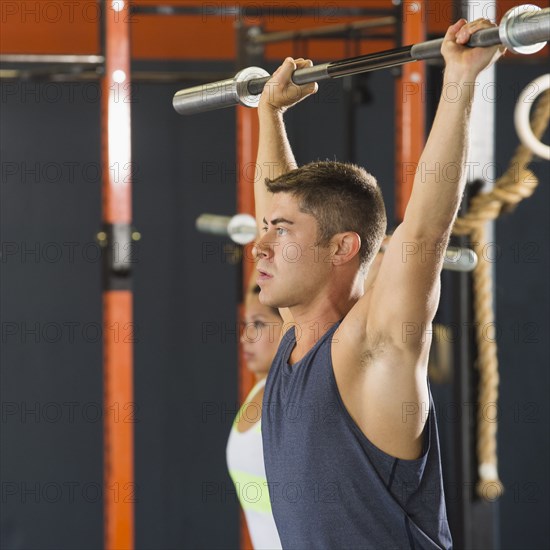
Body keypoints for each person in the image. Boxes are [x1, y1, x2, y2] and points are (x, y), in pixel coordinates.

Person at [252, 19, 504, 549]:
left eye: (281, 232)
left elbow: (426, 230)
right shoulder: (299, 332)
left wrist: (459, 79)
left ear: (343, 248)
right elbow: (276, 205)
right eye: (266, 230)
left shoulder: (370, 347)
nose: (261, 246)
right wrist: (270, 114)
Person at [226, 285, 283, 549]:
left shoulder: (295, 400)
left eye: (258, 324)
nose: (245, 337)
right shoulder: (261, 386)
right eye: (246, 324)